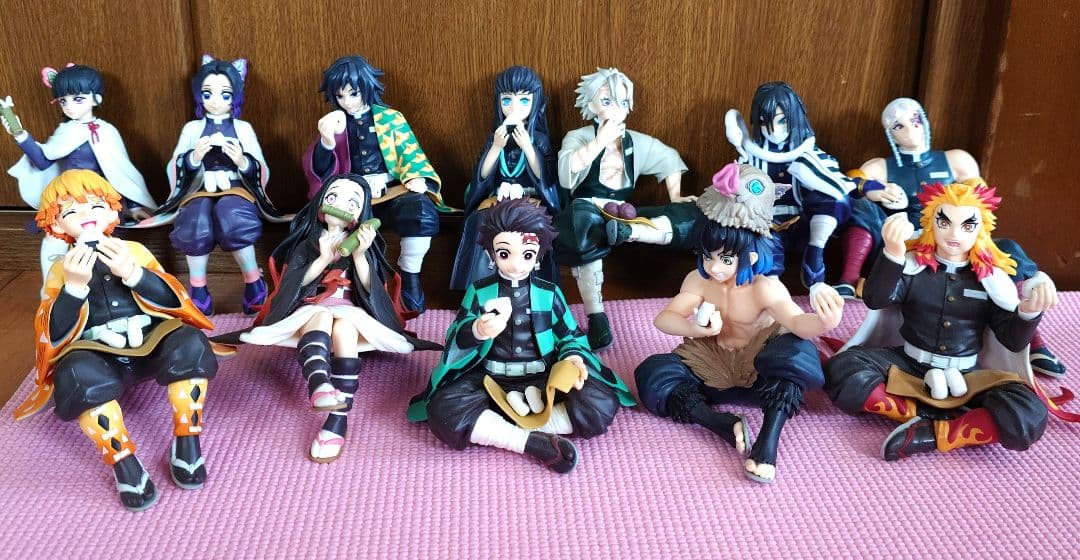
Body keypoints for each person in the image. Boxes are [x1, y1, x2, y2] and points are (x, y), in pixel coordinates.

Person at [12, 169, 218, 511]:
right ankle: (123, 461)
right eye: (71, 212)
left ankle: (187, 439)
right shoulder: (61, 268)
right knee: (75, 374)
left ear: (111, 211)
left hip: (151, 337)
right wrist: (73, 288)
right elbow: (53, 331)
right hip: (96, 351)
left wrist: (134, 273)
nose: (86, 215)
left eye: (95, 205)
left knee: (190, 343)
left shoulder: (134, 250)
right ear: (57, 225)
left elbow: (174, 299)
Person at [635, 163, 844, 484]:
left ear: (752, 256)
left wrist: (824, 321)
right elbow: (665, 318)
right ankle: (719, 423)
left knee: (796, 353)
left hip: (760, 368)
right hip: (711, 363)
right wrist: (693, 329)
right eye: (708, 256)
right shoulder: (699, 281)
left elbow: (796, 321)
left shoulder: (765, 288)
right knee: (652, 373)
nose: (714, 267)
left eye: (726, 259)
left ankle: (767, 443)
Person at [824, 181, 1057, 461]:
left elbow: (1011, 340)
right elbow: (877, 300)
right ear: (931, 223)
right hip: (908, 364)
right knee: (841, 370)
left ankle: (935, 433)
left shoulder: (991, 280)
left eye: (967, 226)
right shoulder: (914, 267)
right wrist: (893, 253)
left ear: (981, 230)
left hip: (969, 374)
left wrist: (1029, 312)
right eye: (945, 223)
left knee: (1029, 414)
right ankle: (917, 414)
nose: (954, 234)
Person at [838, 97, 1065, 377]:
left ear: (925, 121)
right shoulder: (882, 166)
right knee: (861, 208)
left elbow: (982, 200)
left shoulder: (955, 160)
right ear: (890, 133)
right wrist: (875, 189)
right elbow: (851, 181)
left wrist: (962, 213)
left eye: (914, 121)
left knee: (1007, 251)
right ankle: (847, 280)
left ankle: (1036, 342)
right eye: (898, 126)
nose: (909, 130)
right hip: (911, 243)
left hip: (958, 241)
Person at [410, 199, 636, 473]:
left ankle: (516, 426)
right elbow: (456, 335)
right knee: (443, 411)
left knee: (600, 403)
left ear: (539, 254)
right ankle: (528, 442)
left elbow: (570, 335)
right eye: (505, 254)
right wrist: (478, 330)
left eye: (527, 255)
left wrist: (573, 357)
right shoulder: (479, 292)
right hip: (488, 378)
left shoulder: (549, 293)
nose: (516, 265)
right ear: (491, 254)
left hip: (543, 375)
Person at [232, 173, 439, 463]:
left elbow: (371, 288)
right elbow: (293, 284)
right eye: (333, 197)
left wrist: (360, 255)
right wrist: (321, 258)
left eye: (352, 203)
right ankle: (319, 384)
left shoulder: (360, 244)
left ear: (359, 214)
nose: (340, 205)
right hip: (312, 307)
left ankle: (338, 419)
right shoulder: (308, 243)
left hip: (348, 308)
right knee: (319, 315)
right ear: (320, 203)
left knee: (344, 328)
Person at [554, 67, 699, 350]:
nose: (616, 108)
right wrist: (599, 142)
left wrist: (676, 195)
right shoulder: (578, 136)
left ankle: (628, 231)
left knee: (689, 214)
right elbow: (566, 173)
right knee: (583, 227)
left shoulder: (635, 142)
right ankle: (596, 315)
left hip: (623, 213)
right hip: (587, 208)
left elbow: (668, 157)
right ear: (591, 105)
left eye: (622, 102)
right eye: (606, 101)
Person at [302, 55, 452, 313]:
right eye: (340, 96)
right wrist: (326, 142)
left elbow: (410, 152)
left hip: (391, 191)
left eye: (353, 93)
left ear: (367, 88)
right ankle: (353, 287)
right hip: (354, 198)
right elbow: (319, 170)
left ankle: (410, 275)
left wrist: (415, 176)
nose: (347, 102)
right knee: (337, 226)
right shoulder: (335, 124)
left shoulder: (390, 119)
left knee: (421, 211)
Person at [143, 55, 289, 316]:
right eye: (208, 94)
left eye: (225, 95)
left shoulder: (242, 128)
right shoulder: (192, 129)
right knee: (195, 221)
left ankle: (254, 282)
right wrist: (194, 157)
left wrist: (242, 160)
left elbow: (260, 167)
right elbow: (174, 166)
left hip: (235, 186)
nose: (215, 101)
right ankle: (198, 288)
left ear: (235, 98)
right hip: (200, 188)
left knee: (234, 217)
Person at [2, 64, 158, 284]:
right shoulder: (66, 132)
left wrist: (133, 205)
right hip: (70, 197)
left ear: (95, 99)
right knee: (56, 240)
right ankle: (55, 286)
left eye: (77, 99)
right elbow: (43, 161)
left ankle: (116, 284)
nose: (69, 106)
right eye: (63, 101)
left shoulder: (107, 131)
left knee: (111, 240)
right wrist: (20, 135)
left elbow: (121, 172)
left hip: (100, 199)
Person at [725, 81, 861, 289]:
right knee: (766, 265)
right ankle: (771, 289)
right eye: (765, 123)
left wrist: (864, 186)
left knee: (835, 198)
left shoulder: (810, 153)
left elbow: (838, 184)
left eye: (782, 121)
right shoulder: (750, 157)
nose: (775, 131)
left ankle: (815, 254)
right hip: (766, 227)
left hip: (804, 226)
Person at [450, 65, 560, 290]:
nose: (514, 108)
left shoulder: (538, 139)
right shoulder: (495, 137)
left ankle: (535, 285)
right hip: (497, 198)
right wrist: (496, 147)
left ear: (536, 103)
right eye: (507, 100)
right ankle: (478, 287)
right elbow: (481, 176)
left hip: (530, 200)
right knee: (480, 221)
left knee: (533, 224)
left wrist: (527, 147)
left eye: (524, 100)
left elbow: (546, 178)